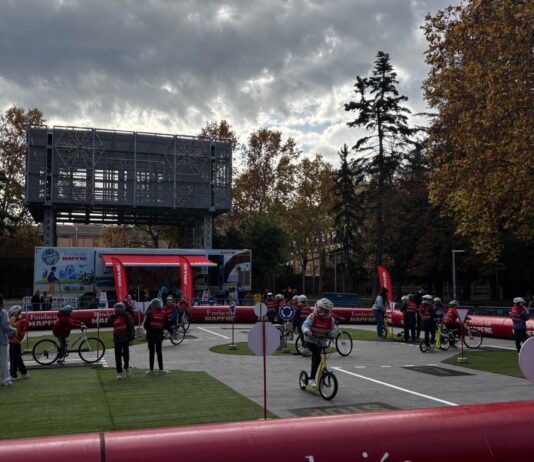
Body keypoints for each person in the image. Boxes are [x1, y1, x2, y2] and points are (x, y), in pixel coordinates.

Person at [301, 298, 337, 387]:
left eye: (323, 309)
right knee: (317, 357)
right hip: (311, 340)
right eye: (320, 308)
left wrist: (332, 334)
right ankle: (311, 379)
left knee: (316, 357)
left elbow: (333, 329)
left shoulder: (330, 320)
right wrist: (307, 331)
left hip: (321, 341)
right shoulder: (312, 316)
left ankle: (317, 375)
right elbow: (305, 325)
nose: (320, 310)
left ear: (327, 310)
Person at [106, 302, 135, 379]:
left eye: (119, 309)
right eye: (117, 309)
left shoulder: (126, 315)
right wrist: (113, 316)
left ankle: (127, 367)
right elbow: (108, 323)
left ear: (123, 309)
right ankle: (119, 372)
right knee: (117, 356)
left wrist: (131, 339)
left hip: (126, 339)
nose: (118, 310)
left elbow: (131, 327)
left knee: (126, 354)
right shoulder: (114, 316)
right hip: (117, 339)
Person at [143, 298, 170, 374]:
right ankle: (161, 369)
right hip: (159, 335)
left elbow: (145, 326)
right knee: (159, 352)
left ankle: (151, 370)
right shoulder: (164, 313)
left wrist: (151, 328)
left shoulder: (150, 313)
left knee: (151, 352)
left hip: (151, 335)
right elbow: (166, 325)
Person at [8, 305, 28, 380]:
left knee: (14, 359)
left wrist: (13, 317)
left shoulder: (18, 322)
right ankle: (24, 373)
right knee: (18, 359)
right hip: (15, 342)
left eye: (12, 314)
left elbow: (11, 324)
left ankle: (13, 375)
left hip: (14, 342)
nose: (10, 315)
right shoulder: (21, 320)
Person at [0, 295, 17, 386]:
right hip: (2, 340)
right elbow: (5, 326)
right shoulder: (3, 312)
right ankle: (6, 379)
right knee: (4, 360)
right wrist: (14, 330)